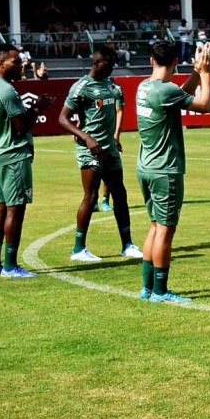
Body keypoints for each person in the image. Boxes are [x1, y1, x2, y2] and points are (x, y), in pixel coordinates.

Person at [135, 39, 210, 303]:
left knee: (155, 227)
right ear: (175, 62)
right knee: (166, 230)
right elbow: (205, 105)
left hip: (145, 166)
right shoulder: (166, 91)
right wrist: (204, 73)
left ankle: (147, 288)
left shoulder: (144, 87)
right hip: (164, 170)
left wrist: (194, 73)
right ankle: (160, 290)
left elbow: (177, 94)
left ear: (151, 61)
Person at [58, 48, 145, 263]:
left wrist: (115, 138)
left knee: (120, 194)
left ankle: (127, 245)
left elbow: (113, 114)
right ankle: (78, 248)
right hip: (90, 151)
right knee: (91, 196)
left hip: (110, 149)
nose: (113, 66)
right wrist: (85, 137)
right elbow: (63, 118)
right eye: (109, 63)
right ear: (96, 63)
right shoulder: (81, 88)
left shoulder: (112, 86)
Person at [0, 44, 55, 278]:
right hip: (14, 155)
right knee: (16, 210)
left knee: (1, 208)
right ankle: (10, 266)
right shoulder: (6, 90)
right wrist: (38, 107)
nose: (21, 64)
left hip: (0, 155)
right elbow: (21, 125)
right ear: (1, 63)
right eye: (16, 61)